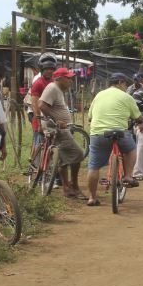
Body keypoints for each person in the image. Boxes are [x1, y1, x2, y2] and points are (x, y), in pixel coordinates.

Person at [86, 73, 143, 206]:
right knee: (130, 149)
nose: (125, 87)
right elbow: (138, 116)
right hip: (120, 132)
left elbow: (90, 116)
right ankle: (128, 176)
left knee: (94, 166)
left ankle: (92, 198)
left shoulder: (99, 95)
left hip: (98, 134)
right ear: (120, 82)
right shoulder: (126, 97)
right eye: (124, 84)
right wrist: (139, 121)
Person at [39, 68, 87, 198]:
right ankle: (74, 186)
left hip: (61, 128)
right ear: (59, 79)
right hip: (57, 129)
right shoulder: (52, 88)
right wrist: (56, 120)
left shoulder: (58, 90)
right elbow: (42, 105)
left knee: (63, 160)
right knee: (78, 154)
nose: (70, 81)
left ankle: (67, 188)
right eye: (68, 78)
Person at [29, 57, 57, 153]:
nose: (49, 71)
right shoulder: (38, 83)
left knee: (51, 147)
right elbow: (35, 104)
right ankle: (34, 167)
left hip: (52, 119)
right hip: (40, 120)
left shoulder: (54, 82)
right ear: (42, 70)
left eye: (51, 69)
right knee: (39, 146)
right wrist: (39, 124)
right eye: (47, 69)